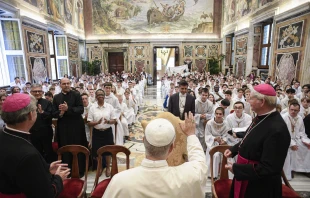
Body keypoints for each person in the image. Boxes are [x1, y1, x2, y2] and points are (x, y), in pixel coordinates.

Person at [103, 112, 207, 198]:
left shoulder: (120, 182)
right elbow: (200, 162)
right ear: (171, 148)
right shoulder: (188, 176)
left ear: (143, 141)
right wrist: (191, 135)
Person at [224, 84, 290, 198]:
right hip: (247, 176)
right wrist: (234, 149)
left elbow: (269, 168)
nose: (248, 100)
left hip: (259, 187)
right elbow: (251, 137)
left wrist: (237, 168)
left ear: (262, 101)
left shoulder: (277, 130)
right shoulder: (261, 117)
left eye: (251, 98)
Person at [0, 93, 70, 197]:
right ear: (30, 115)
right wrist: (58, 178)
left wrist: (45, 169)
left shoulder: (5, 134)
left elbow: (19, 170)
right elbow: (46, 194)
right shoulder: (29, 154)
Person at [52, 78, 87, 176]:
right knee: (65, 148)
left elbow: (80, 109)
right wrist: (61, 113)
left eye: (68, 83)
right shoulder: (56, 97)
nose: (66, 85)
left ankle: (80, 170)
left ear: (70, 84)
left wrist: (68, 109)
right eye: (64, 84)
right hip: (63, 127)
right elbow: (54, 113)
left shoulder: (76, 95)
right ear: (60, 85)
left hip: (76, 126)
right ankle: (67, 171)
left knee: (77, 147)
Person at [87, 89, 117, 177]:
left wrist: (108, 121)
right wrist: (96, 123)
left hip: (107, 132)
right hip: (97, 132)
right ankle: (99, 167)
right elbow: (89, 122)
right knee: (97, 151)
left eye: (102, 94)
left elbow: (114, 120)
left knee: (108, 151)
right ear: (96, 97)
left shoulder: (109, 107)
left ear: (104, 96)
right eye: (98, 94)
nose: (100, 96)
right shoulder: (92, 108)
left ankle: (108, 167)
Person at [282, 102, 310, 180]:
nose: (293, 112)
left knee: (307, 148)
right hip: (285, 140)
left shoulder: (300, 118)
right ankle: (290, 170)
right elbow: (283, 133)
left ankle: (305, 169)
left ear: (299, 110)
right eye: (292, 110)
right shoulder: (284, 117)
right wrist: (291, 144)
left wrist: (306, 141)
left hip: (297, 138)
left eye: (295, 110)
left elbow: (302, 131)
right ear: (288, 109)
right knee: (291, 150)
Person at [29, 84, 56, 163]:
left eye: (39, 91)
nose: (37, 93)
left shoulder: (47, 102)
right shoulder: (27, 103)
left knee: (48, 151)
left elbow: (52, 115)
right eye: (35, 91)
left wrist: (43, 112)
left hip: (46, 131)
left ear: (42, 92)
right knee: (35, 152)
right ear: (31, 92)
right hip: (32, 132)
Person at [205, 107, 230, 178]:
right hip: (211, 143)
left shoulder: (226, 124)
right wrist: (214, 139)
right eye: (217, 114)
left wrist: (223, 140)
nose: (218, 115)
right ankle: (212, 174)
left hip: (222, 143)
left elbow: (227, 135)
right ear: (214, 114)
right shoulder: (209, 123)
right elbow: (207, 135)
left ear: (223, 115)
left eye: (220, 114)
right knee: (215, 155)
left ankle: (223, 173)